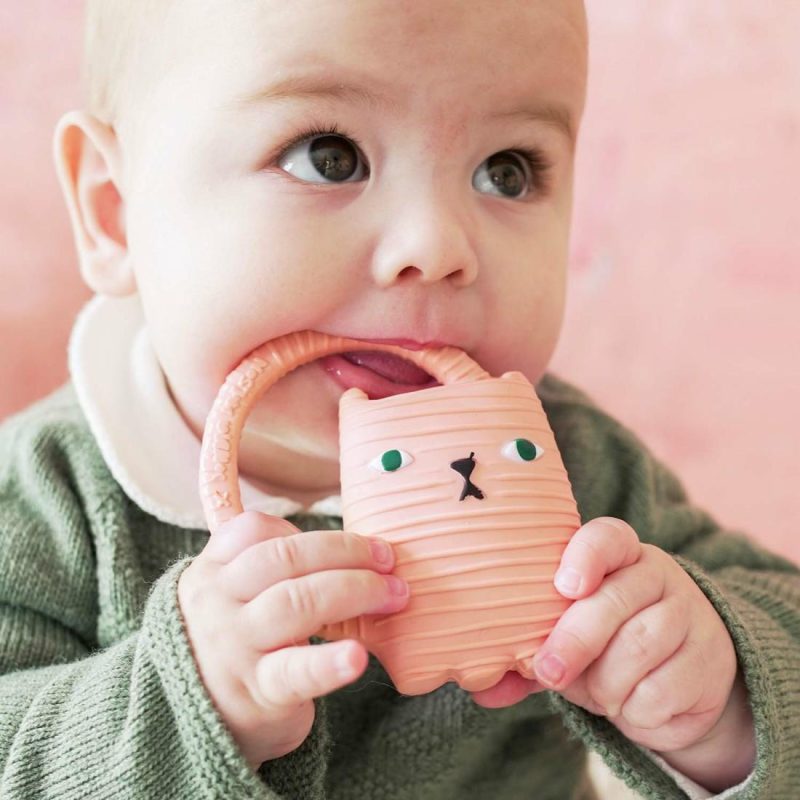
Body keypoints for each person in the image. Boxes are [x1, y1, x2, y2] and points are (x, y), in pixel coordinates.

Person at [1, 1, 797, 797]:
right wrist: (180, 704)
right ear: (115, 211)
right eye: (329, 156)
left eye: (507, 170)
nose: (437, 245)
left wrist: (719, 699)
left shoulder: (567, 470)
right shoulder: (44, 500)